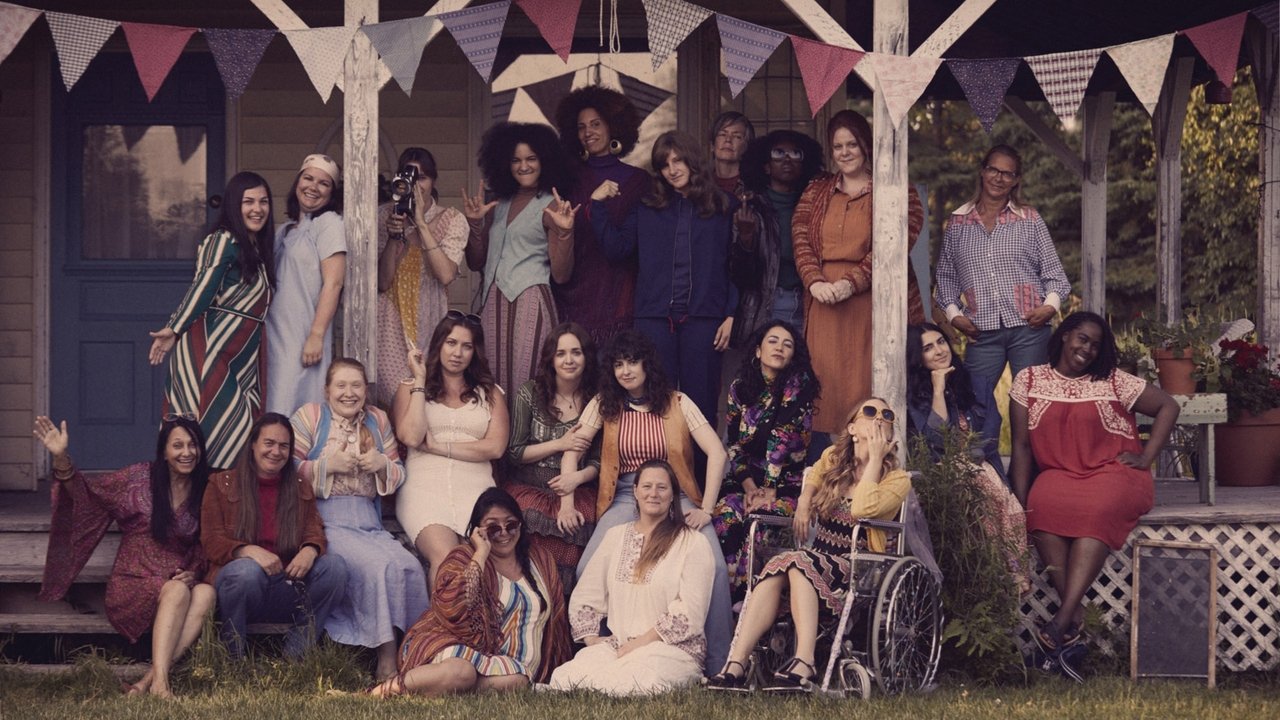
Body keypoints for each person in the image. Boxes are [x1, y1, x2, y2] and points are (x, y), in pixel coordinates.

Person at [1010, 311, 1179, 682]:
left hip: (1113, 473)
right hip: (1060, 473)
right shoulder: (1029, 380)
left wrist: (1146, 457)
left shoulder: (1114, 380)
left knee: (1096, 510)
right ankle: (1072, 620)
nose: (1087, 349)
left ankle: (1059, 623)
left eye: (1095, 345)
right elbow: (1021, 447)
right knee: (1041, 507)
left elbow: (1169, 405)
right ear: (1065, 336)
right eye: (1082, 339)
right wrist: (1019, 504)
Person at [707, 398, 911, 693]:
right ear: (852, 428)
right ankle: (735, 665)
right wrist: (804, 501)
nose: (879, 417)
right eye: (870, 411)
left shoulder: (897, 480)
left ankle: (805, 660)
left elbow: (862, 509)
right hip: (818, 558)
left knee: (798, 561)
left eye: (886, 414)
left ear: (890, 433)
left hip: (859, 566)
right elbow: (813, 474)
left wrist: (875, 459)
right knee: (781, 565)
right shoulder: (833, 460)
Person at [560, 329, 732, 674]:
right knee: (587, 565)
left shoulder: (678, 402)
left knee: (714, 566)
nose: (625, 371)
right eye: (618, 364)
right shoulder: (605, 403)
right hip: (626, 494)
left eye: (632, 362)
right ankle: (608, 650)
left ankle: (721, 666)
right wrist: (567, 501)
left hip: (675, 494)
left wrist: (706, 509)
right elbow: (573, 449)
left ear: (647, 365)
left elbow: (717, 452)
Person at [36, 415, 212, 698]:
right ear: (164, 452)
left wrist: (195, 571)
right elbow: (88, 494)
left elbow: (206, 544)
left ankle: (146, 683)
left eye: (193, 445)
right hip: (133, 580)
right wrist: (61, 457)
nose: (187, 452)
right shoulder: (138, 478)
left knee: (206, 593)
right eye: (178, 445)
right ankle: (162, 686)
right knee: (178, 591)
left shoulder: (205, 489)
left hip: (174, 581)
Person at [290, 358, 429, 681]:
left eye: (356, 385)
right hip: (326, 522)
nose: (349, 393)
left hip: (369, 522)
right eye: (341, 385)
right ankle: (386, 661)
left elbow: (398, 472)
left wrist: (381, 464)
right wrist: (327, 466)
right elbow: (287, 469)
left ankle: (418, 654)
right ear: (327, 390)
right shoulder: (310, 416)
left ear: (366, 390)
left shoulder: (377, 419)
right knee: (378, 567)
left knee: (408, 566)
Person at [793, 110, 924, 440]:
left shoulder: (895, 189)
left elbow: (897, 242)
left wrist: (850, 283)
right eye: (838, 146)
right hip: (823, 302)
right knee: (823, 384)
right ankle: (830, 463)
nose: (845, 152)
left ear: (866, 145)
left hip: (870, 303)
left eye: (851, 144)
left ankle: (870, 458)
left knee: (866, 384)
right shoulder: (817, 190)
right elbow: (800, 236)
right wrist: (814, 280)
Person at [592, 131, 737, 426]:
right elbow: (617, 248)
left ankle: (700, 459)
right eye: (664, 164)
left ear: (692, 160)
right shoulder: (647, 207)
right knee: (654, 404)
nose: (672, 169)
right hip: (655, 319)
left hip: (704, 318)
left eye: (678, 160)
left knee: (701, 405)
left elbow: (737, 265)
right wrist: (597, 206)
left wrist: (731, 313)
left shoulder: (723, 206)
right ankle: (656, 459)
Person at [368, 488, 571, 698]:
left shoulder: (541, 561)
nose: (503, 533)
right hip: (458, 649)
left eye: (511, 525)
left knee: (517, 681)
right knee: (462, 672)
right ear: (478, 531)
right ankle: (386, 690)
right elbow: (458, 607)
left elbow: (556, 623)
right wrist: (481, 553)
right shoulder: (465, 557)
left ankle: (443, 688)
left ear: (520, 525)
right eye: (493, 528)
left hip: (511, 670)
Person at [549, 460, 716, 695]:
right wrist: (593, 640)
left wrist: (640, 643)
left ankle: (613, 680)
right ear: (635, 491)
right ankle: (608, 677)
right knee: (567, 676)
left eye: (662, 487)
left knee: (640, 678)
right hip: (620, 646)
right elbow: (587, 593)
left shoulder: (693, 542)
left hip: (671, 650)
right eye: (647, 486)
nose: (653, 493)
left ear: (673, 495)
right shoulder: (615, 536)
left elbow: (690, 612)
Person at [147, 172, 275, 469]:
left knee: (238, 428)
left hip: (240, 355)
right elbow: (202, 287)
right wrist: (174, 328)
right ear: (233, 205)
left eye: (263, 202)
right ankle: (193, 497)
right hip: (209, 350)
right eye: (248, 202)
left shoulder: (256, 247)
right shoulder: (223, 240)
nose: (257, 209)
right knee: (210, 429)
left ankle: (219, 496)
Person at [201, 412, 348, 659]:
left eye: (283, 446)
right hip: (242, 589)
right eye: (268, 443)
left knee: (335, 568)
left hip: (287, 585)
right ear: (253, 445)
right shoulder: (221, 484)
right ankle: (232, 658)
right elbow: (211, 541)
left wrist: (310, 549)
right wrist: (248, 551)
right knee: (246, 571)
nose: (276, 452)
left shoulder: (299, 485)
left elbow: (314, 530)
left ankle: (296, 656)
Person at [934, 144, 1071, 390]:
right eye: (993, 170)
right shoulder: (957, 222)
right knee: (973, 401)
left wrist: (1050, 307)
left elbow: (1055, 274)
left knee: (1032, 400)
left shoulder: (1029, 219)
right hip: (981, 332)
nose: (999, 178)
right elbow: (946, 278)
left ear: (1016, 180)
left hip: (1030, 330)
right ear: (982, 171)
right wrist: (955, 316)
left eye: (1008, 173)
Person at [906, 323, 1029, 595]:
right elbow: (936, 442)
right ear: (917, 357)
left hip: (980, 465)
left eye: (941, 342)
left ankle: (1008, 574)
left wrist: (969, 460)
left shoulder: (976, 382)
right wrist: (938, 390)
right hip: (941, 473)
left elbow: (991, 433)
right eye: (928, 348)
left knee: (1000, 500)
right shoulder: (915, 397)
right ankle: (1002, 576)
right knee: (980, 498)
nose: (939, 351)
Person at [393, 312, 509, 589]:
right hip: (424, 488)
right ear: (439, 344)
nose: (457, 353)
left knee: (481, 557)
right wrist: (420, 378)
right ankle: (442, 619)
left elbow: (495, 447)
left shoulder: (490, 393)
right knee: (447, 559)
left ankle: (480, 618)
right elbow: (411, 436)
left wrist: (438, 446)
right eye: (451, 343)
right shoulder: (410, 388)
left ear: (475, 352)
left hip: (476, 489)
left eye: (466, 346)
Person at [462, 122, 577, 397]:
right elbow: (475, 262)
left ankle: (526, 429)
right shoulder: (498, 204)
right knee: (492, 383)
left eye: (531, 159)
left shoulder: (551, 204)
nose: (523, 166)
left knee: (527, 383)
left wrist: (565, 232)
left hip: (530, 301)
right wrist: (475, 224)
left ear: (545, 161)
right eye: (516, 160)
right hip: (493, 303)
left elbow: (561, 274)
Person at [713, 321, 818, 602]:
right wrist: (749, 487)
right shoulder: (740, 388)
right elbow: (734, 444)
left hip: (785, 486)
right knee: (725, 517)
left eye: (787, 344)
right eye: (773, 341)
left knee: (756, 523)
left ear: (793, 356)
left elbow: (780, 436)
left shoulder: (798, 385)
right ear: (758, 351)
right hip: (747, 482)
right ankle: (724, 601)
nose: (779, 347)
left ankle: (746, 602)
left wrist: (769, 489)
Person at [502, 322, 600, 591]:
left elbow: (598, 461)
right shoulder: (530, 393)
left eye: (576, 352)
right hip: (530, 485)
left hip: (577, 486)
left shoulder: (596, 400)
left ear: (586, 357)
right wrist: (560, 443)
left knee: (579, 521)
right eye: (561, 353)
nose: (569, 360)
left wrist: (576, 479)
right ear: (551, 359)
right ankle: (530, 596)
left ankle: (563, 603)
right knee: (525, 517)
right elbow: (515, 452)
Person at [552, 85, 647, 344]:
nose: (588, 133)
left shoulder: (638, 181)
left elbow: (629, 246)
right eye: (581, 127)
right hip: (573, 290)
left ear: (613, 126)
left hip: (618, 291)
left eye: (596, 124)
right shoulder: (567, 178)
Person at [375, 147, 468, 408]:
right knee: (393, 399)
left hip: (430, 319)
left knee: (427, 398)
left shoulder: (451, 219)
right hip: (390, 322)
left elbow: (446, 274)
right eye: (409, 178)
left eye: (423, 177)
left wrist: (421, 224)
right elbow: (382, 282)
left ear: (433, 181)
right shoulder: (384, 215)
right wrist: (394, 237)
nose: (416, 185)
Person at [265, 153, 346, 415]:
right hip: (273, 335)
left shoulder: (329, 224)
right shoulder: (285, 229)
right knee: (271, 408)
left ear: (332, 192)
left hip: (302, 336)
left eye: (324, 183)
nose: (313, 187)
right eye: (308, 178)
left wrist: (316, 335)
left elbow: (334, 283)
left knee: (293, 406)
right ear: (297, 181)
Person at [730, 130, 825, 344]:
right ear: (766, 166)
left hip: (810, 303)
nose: (787, 159)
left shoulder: (814, 206)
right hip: (767, 305)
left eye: (795, 153)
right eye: (779, 153)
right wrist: (746, 239)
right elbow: (739, 275)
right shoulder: (750, 209)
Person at [708, 111, 754, 196]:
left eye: (737, 137)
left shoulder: (754, 187)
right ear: (712, 145)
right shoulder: (701, 185)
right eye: (722, 134)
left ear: (746, 147)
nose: (728, 140)